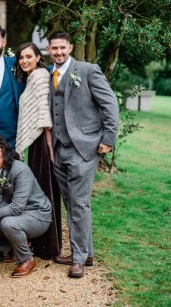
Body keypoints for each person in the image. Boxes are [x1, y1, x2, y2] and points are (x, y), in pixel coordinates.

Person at [47, 31, 119, 278]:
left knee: (79, 204)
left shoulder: (87, 70)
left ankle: (78, 260)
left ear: (71, 47)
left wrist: (108, 140)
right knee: (71, 204)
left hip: (83, 148)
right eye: (54, 48)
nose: (58, 52)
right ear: (48, 50)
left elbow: (110, 103)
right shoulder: (49, 74)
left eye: (62, 48)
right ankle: (86, 253)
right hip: (58, 150)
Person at [0, 134, 52, 277]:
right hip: (10, 216)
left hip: (37, 215)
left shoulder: (20, 170)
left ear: (4, 151)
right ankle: (13, 248)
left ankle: (26, 259)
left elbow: (17, 207)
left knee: (8, 223)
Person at [13, 42, 62, 259]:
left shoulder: (41, 76)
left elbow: (44, 112)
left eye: (28, 56)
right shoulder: (31, 78)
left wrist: (49, 144)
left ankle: (48, 245)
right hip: (36, 142)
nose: (24, 61)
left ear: (37, 57)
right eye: (21, 57)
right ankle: (41, 243)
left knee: (43, 191)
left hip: (42, 142)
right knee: (38, 192)